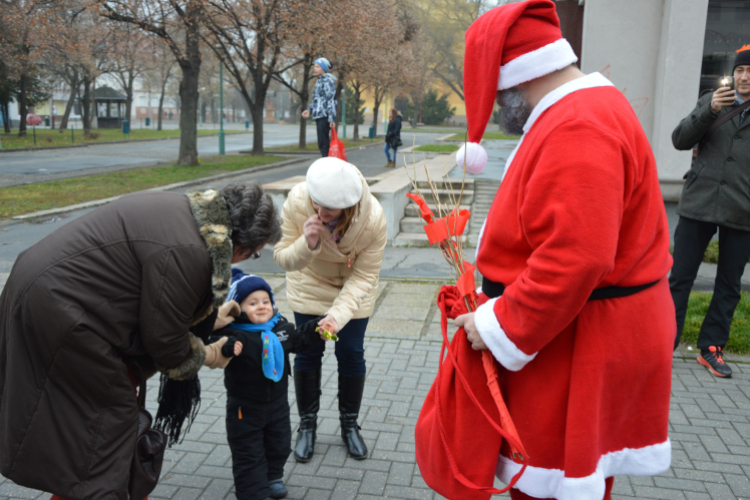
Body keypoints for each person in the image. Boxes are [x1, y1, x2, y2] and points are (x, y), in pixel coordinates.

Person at [449, 1, 675, 499]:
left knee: (548, 484)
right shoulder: (580, 111)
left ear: (510, 79)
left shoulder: (577, 124)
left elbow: (576, 257)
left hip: (581, 337)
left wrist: (499, 325)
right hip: (577, 328)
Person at [0, 181, 281, 499]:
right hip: (65, 316)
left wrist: (211, 318)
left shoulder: (184, 214)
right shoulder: (189, 250)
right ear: (241, 243)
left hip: (49, 297)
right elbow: (164, 341)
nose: (248, 258)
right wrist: (210, 354)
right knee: (105, 434)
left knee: (92, 438)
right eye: (255, 253)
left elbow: (154, 300)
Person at [273, 157, 387, 463]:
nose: (320, 213)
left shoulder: (373, 219)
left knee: (350, 353)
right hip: (310, 282)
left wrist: (337, 318)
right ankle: (307, 425)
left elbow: (365, 276)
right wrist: (306, 244)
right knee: (308, 352)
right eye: (317, 204)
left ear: (348, 207)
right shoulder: (297, 201)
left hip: (353, 288)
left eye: (330, 210)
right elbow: (282, 258)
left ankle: (349, 425)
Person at [205, 271, 324, 500]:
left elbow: (299, 340)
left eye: (265, 301)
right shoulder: (234, 333)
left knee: (279, 444)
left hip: (277, 405)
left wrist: (318, 327)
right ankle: (253, 492)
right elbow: (214, 346)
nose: (261, 306)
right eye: (253, 302)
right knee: (248, 453)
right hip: (245, 409)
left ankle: (273, 477)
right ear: (238, 309)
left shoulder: (280, 329)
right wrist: (228, 348)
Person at [670, 45, 750, 378]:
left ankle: (711, 348)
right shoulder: (712, 101)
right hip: (699, 203)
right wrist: (709, 111)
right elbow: (679, 140)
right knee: (679, 278)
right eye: (740, 71)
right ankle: (664, 340)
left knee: (729, 284)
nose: (744, 77)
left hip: (743, 210)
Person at [301, 58, 337, 157]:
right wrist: (309, 110)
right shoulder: (319, 81)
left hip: (324, 116)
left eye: (318, 67)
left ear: (324, 68)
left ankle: (327, 166)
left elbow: (331, 100)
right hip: (319, 115)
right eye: (314, 66)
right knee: (322, 143)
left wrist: (331, 118)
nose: (315, 69)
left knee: (324, 143)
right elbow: (317, 99)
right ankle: (326, 163)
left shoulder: (328, 81)